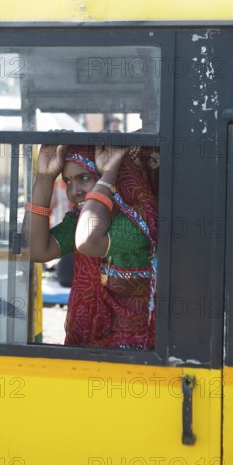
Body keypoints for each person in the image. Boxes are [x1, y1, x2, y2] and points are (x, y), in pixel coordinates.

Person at [25, 144, 159, 349]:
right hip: (93, 349)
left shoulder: (140, 219)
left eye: (84, 178)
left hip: (142, 355)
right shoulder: (80, 220)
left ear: (116, 177)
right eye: (68, 181)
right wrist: (45, 177)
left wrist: (108, 173)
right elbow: (36, 250)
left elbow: (88, 242)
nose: (73, 191)